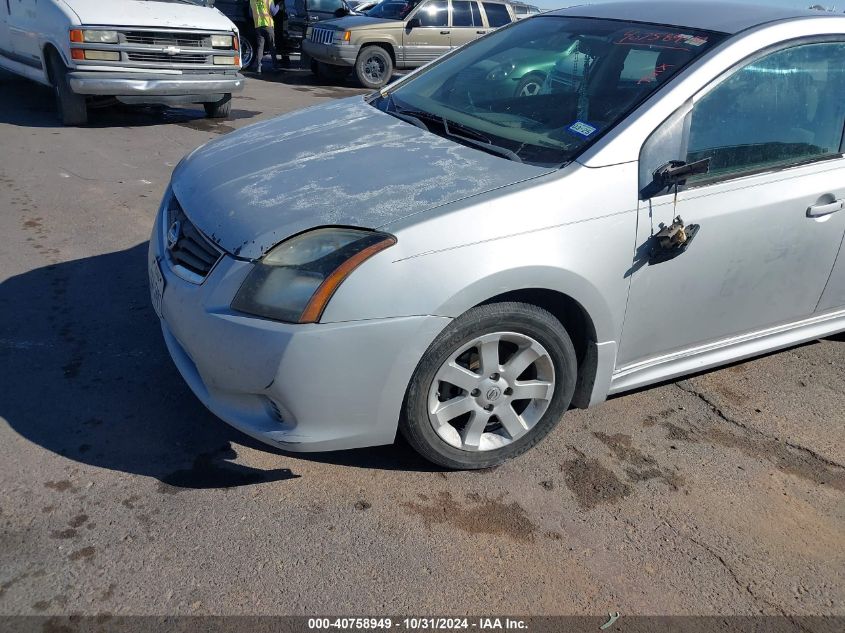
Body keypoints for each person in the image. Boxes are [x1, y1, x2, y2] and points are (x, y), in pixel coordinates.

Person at [249, 0, 281, 74]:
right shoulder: (269, 0)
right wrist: (278, 5)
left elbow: (250, 14)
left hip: (258, 26)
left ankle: (259, 67)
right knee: (272, 46)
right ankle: (275, 66)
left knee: (260, 47)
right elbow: (274, 12)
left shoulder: (252, 1)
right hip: (268, 26)